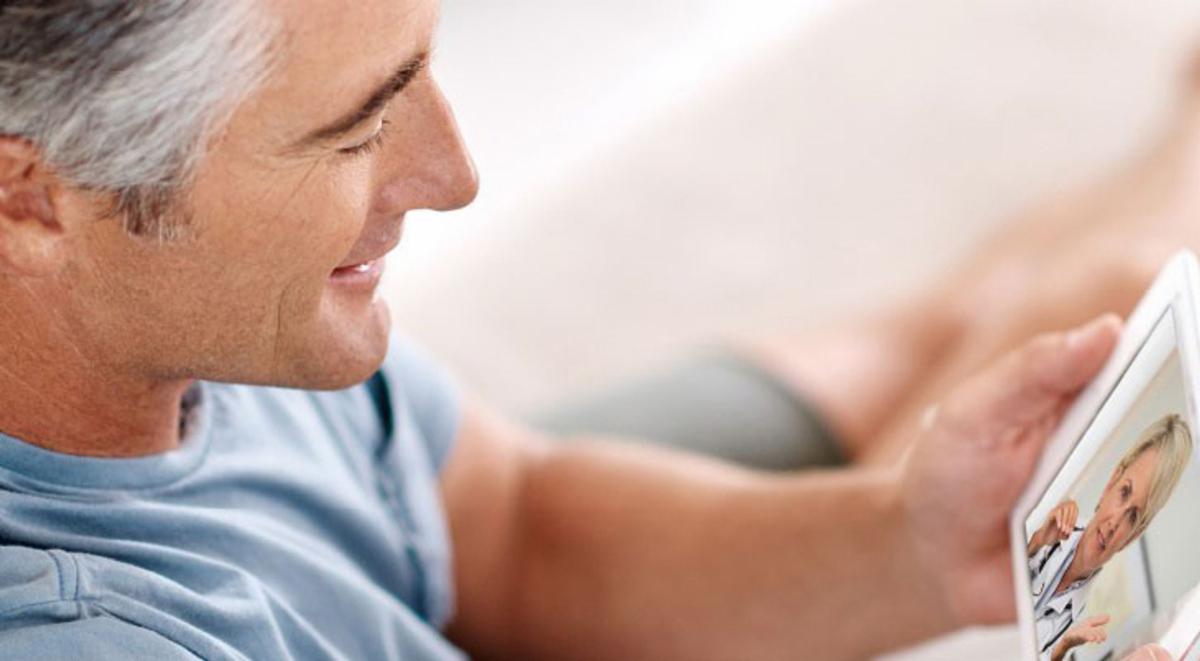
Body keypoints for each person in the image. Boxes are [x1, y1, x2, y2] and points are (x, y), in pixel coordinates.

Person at [0, 1, 1190, 659]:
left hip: (422, 547)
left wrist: (912, 545)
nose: (455, 174)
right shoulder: (87, 633)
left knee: (984, 324)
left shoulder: (224, 324)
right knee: (1086, 293)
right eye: (356, 130)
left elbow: (517, 529)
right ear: (33, 196)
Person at [1025, 415, 1194, 661]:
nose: (1114, 523)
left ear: (1135, 535)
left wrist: (1061, 650)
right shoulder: (1047, 507)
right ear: (1112, 481)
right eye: (1124, 492)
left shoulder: (1085, 622)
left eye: (1133, 516)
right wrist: (1034, 543)